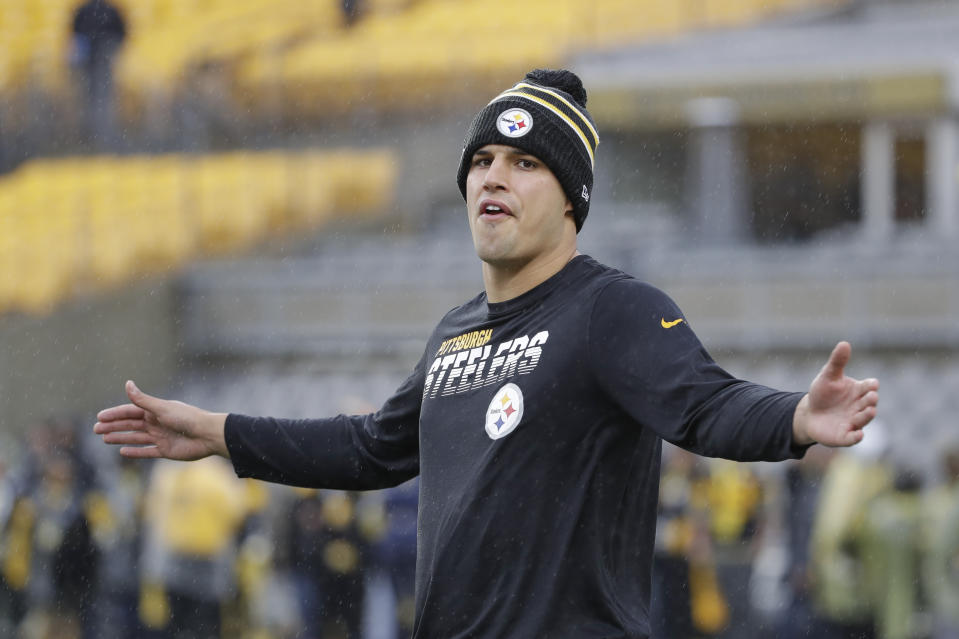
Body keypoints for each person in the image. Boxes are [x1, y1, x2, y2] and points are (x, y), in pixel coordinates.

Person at [94, 68, 880, 639]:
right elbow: (372, 448)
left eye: (524, 163)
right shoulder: (455, 332)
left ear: (570, 198)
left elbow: (705, 403)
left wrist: (794, 418)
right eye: (481, 161)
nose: (492, 177)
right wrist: (221, 433)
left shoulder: (610, 307)